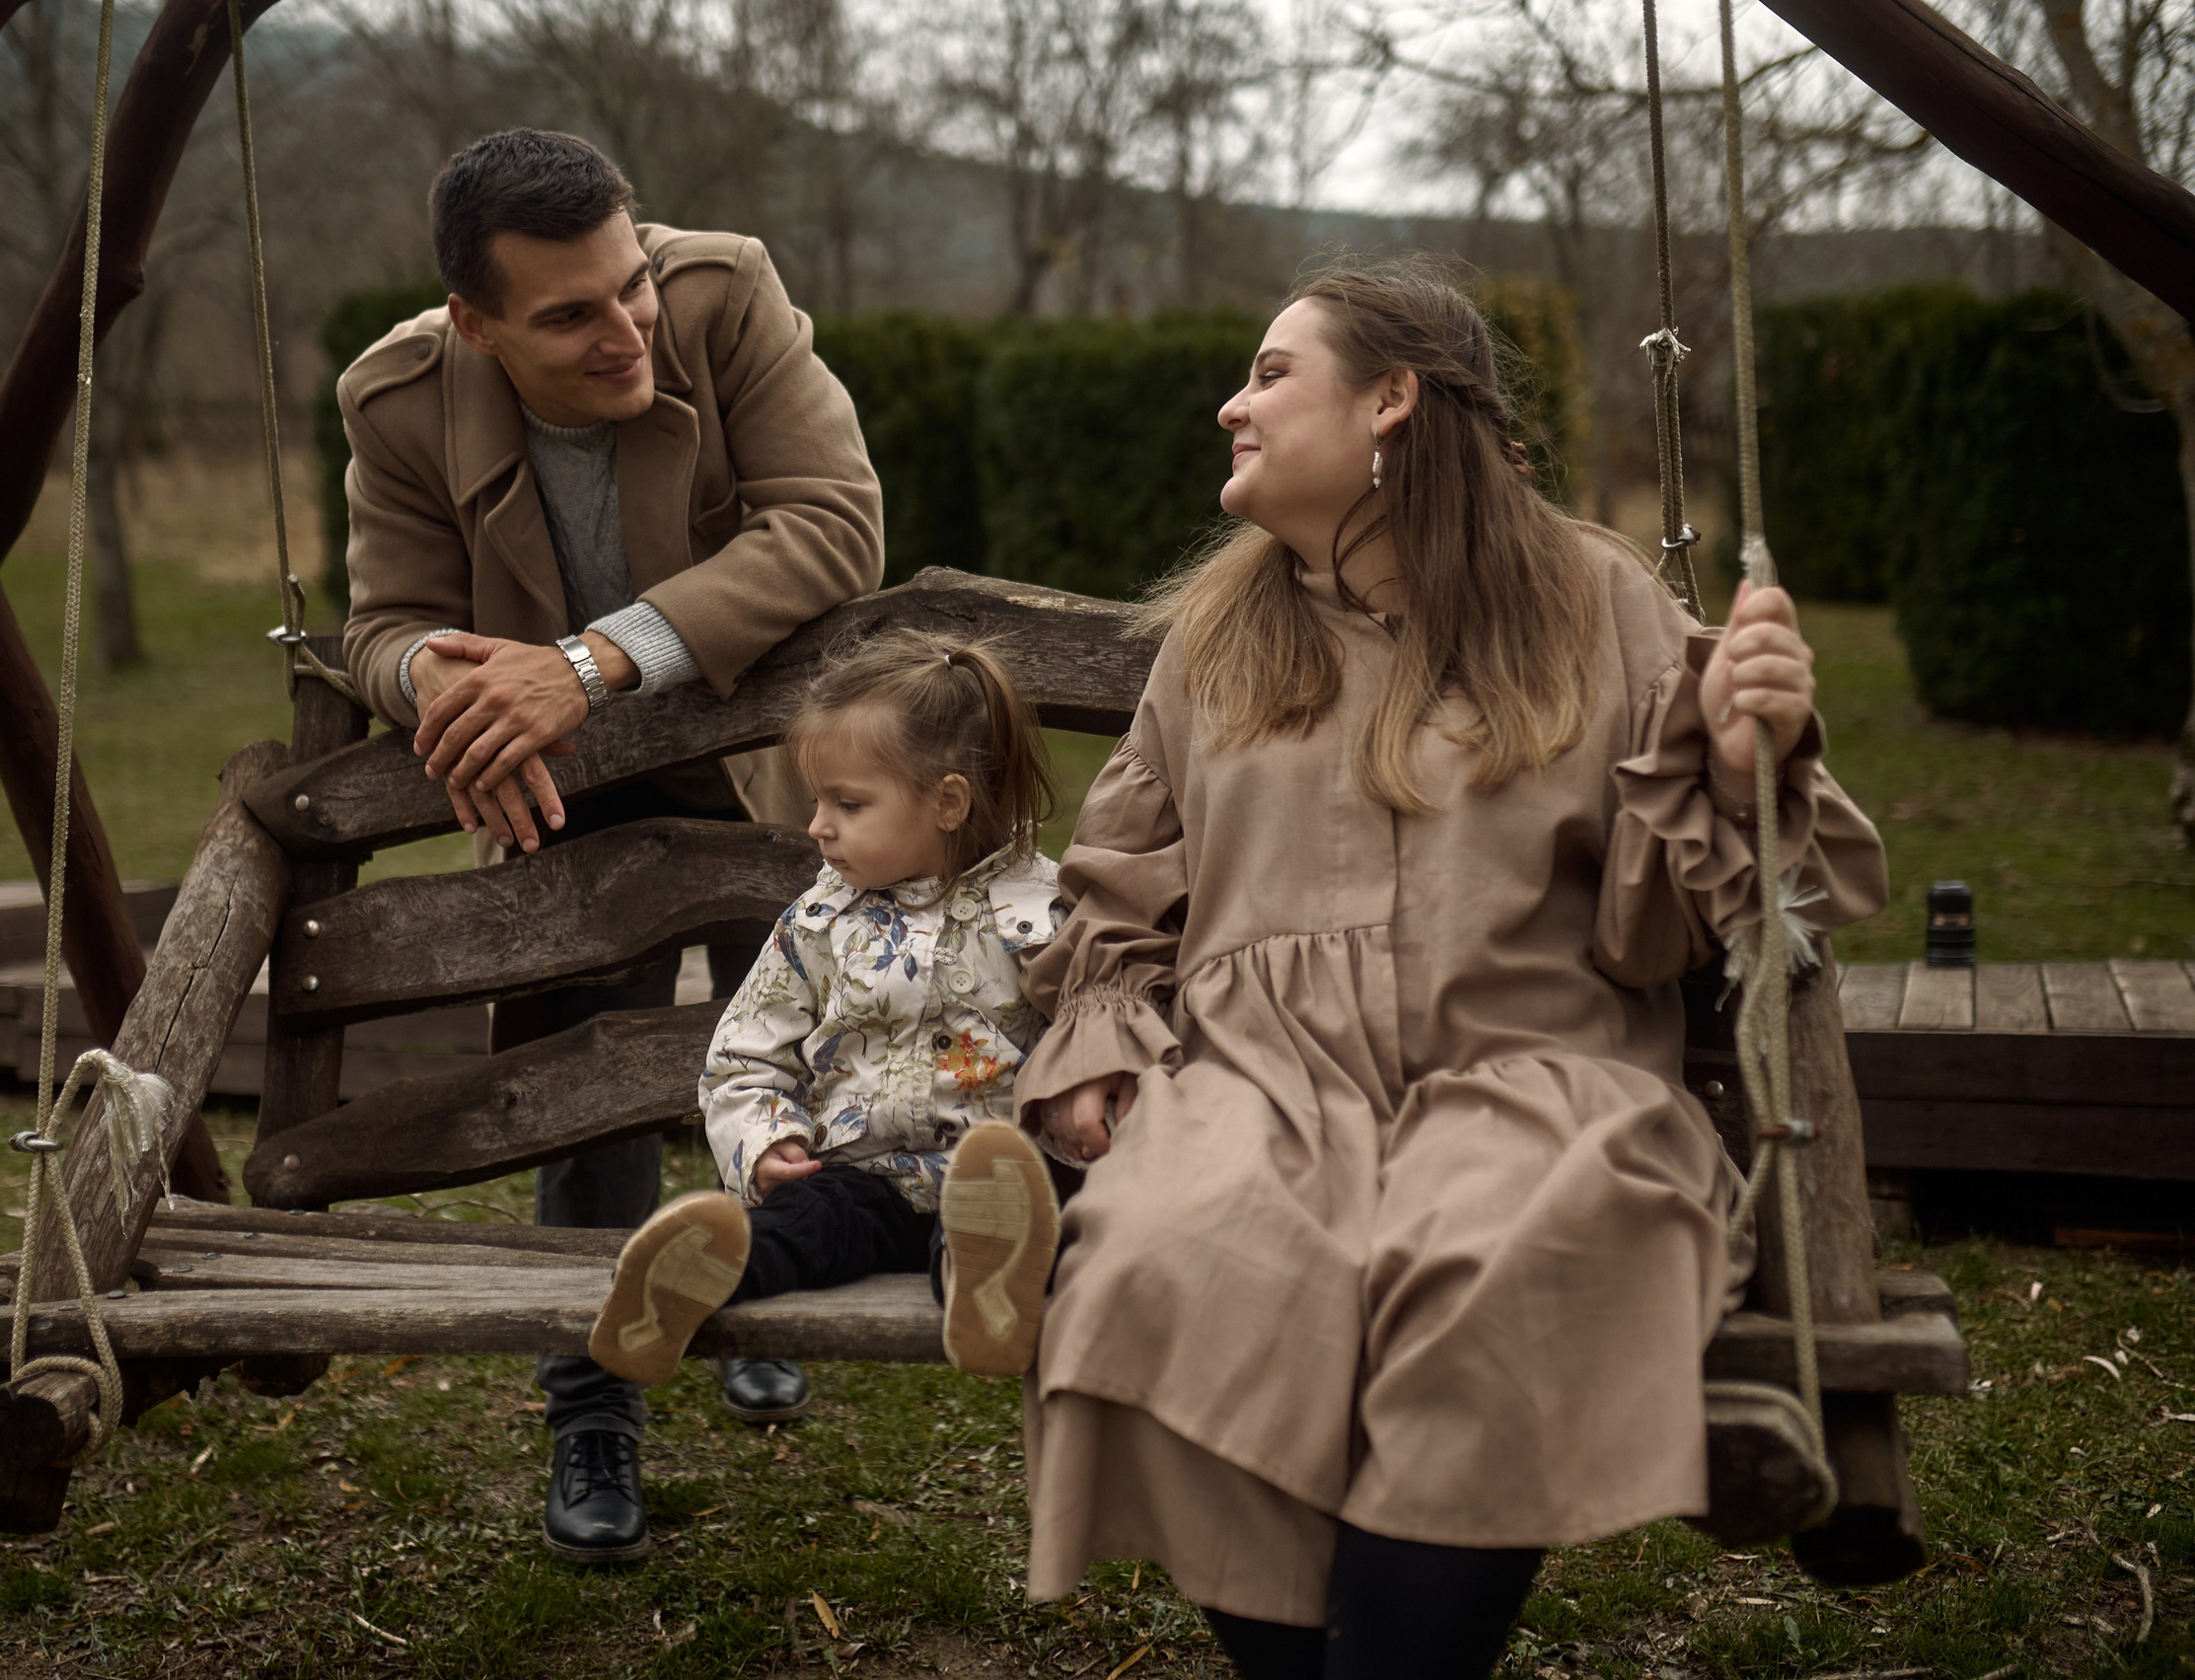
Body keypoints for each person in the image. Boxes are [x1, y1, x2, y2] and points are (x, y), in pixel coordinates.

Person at [1011, 257, 1888, 1680]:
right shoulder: (1216, 640)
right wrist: (1104, 1038)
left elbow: (1684, 914)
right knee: (1171, 1260)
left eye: (1271, 370)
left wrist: (1740, 755)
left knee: (1497, 1262)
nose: (1231, 405)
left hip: (1533, 1074)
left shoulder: (1588, 598)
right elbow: (1120, 881)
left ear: (1393, 397)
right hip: (1264, 1090)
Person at [334, 128, 882, 1563]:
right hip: (558, 796)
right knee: (586, 1092)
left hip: (763, 767)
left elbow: (834, 524)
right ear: (475, 321)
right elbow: (381, 621)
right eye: (570, 314)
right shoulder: (396, 397)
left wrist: (584, 663)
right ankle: (597, 1405)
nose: (625, 326)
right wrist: (428, 684)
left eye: (627, 285)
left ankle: (766, 1293)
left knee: (792, 1058)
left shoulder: (727, 295)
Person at [587, 634, 1068, 1387]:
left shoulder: (1045, 914)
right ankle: (705, 1271)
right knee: (806, 1221)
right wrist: (766, 1141)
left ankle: (989, 1292)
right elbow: (745, 1055)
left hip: (1002, 1177)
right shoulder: (817, 925)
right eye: (818, 801)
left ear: (948, 800)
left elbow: (1101, 1030)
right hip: (867, 1180)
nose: (817, 825)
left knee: (1027, 1206)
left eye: (847, 803)